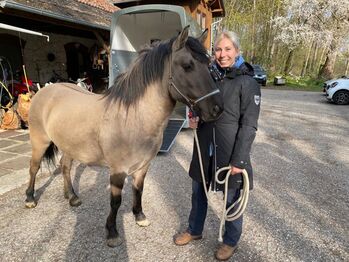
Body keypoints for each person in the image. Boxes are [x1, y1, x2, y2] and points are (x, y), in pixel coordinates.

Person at [173, 30, 261, 261]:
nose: (222, 55)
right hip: (204, 147)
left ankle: (231, 241)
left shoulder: (248, 83)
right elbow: (199, 101)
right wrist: (193, 115)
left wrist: (239, 160)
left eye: (227, 49)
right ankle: (195, 230)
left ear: (237, 51)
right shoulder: (209, 76)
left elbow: (249, 125)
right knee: (197, 191)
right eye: (218, 50)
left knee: (232, 198)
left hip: (231, 151)